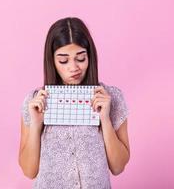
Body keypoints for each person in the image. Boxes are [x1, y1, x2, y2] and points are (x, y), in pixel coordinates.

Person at [19, 17, 130, 189]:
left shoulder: (112, 97)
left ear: (90, 56)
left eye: (80, 58)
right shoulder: (35, 102)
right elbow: (28, 171)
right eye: (63, 60)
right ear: (52, 61)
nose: (73, 68)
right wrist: (36, 124)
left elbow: (118, 167)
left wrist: (105, 120)